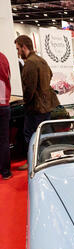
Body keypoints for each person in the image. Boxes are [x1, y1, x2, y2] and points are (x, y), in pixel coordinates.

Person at [15, 35, 59, 170]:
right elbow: (50, 75)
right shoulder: (41, 60)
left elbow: (29, 88)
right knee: (44, 134)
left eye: (18, 49)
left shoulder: (30, 63)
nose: (17, 52)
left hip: (35, 106)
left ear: (24, 47)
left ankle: (32, 162)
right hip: (46, 104)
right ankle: (47, 159)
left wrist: (26, 102)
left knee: (31, 135)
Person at [0, 51, 12, 180]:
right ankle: (6, 172)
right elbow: (8, 78)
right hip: (4, 103)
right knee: (4, 140)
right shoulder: (3, 57)